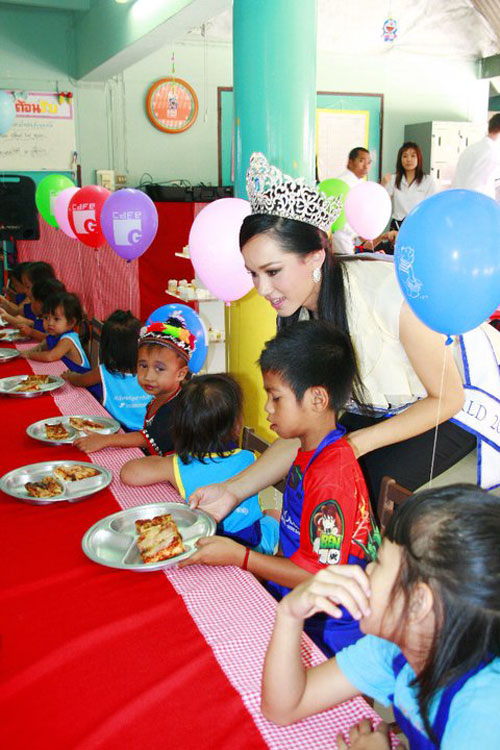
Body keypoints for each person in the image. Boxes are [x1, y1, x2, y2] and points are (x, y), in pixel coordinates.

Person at [189, 152, 475, 516]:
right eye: (253, 274)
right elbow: (303, 430)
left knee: (350, 489)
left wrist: (352, 445)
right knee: (313, 477)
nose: (262, 289)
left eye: (273, 271)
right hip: (378, 408)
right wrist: (232, 491)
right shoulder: (298, 317)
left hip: (454, 407)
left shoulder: (388, 294)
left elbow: (448, 397)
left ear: (315, 257)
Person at [181, 321, 379, 655]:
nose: (267, 409)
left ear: (317, 399)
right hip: (296, 599)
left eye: (276, 397)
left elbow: (315, 576)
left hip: (328, 629)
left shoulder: (332, 476)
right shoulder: (308, 450)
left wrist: (242, 557)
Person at [260, 484, 500, 750]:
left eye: (379, 563)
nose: (365, 572)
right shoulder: (397, 650)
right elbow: (284, 707)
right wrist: (289, 614)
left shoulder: (486, 711)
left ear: (418, 602)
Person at [121, 373, 279, 555]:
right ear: (236, 426)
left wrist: (162, 461)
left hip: (202, 540)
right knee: (272, 512)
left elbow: (129, 473)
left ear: (180, 428)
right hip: (251, 545)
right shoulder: (250, 458)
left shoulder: (176, 465)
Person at [74, 317, 192, 455]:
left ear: (181, 374)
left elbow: (144, 438)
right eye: (143, 365)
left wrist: (104, 440)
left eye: (159, 369)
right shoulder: (158, 396)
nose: (148, 376)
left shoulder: (176, 407)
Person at [62, 310, 149, 429]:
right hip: (145, 430)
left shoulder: (104, 371)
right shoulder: (149, 371)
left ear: (106, 346)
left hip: (117, 430)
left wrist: (70, 376)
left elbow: (80, 380)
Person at [382, 141, 436, 248]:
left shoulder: (428, 180)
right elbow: (382, 200)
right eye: (405, 156)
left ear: (418, 158)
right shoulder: (394, 179)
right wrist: (383, 184)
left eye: (413, 156)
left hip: (417, 225)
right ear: (400, 159)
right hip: (397, 225)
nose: (409, 159)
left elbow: (431, 207)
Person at [22, 291, 90, 373]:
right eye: (46, 318)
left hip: (80, 381)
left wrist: (29, 355)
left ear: (71, 322)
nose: (50, 323)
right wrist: (27, 352)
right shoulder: (55, 335)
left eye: (56, 319)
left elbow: (50, 356)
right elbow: (41, 347)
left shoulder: (68, 340)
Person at [331, 147, 372, 255]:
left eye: (369, 162)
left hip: (346, 237)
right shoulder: (346, 182)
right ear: (350, 162)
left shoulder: (356, 182)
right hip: (341, 236)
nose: (366, 166)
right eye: (361, 161)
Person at [451, 113, 500, 199]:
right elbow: (476, 188)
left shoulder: (473, 148)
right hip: (476, 206)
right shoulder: (490, 153)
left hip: (461, 202)